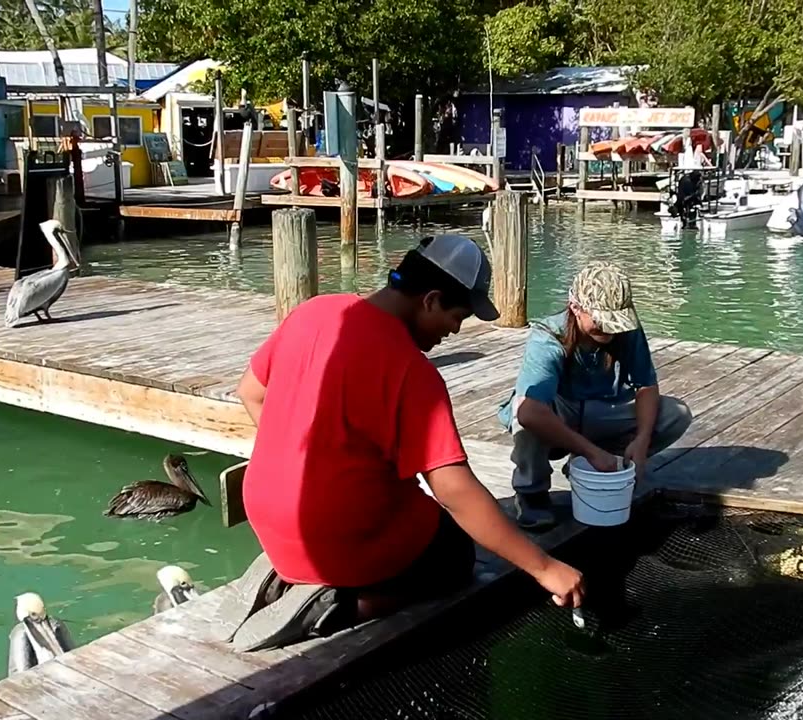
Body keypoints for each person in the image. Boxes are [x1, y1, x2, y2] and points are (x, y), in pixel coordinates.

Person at [227, 234, 586, 651]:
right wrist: (543, 568)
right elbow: (453, 490)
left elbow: (250, 391)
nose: (454, 330)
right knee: (454, 555)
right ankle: (344, 606)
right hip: (337, 533)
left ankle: (291, 574)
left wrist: (297, 453)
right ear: (430, 299)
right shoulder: (411, 370)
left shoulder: (314, 311)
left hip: (268, 514)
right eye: (458, 316)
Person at [498, 261, 694, 530]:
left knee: (675, 413)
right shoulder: (548, 336)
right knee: (525, 412)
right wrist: (590, 450)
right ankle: (531, 493)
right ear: (575, 308)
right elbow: (530, 411)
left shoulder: (627, 331)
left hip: (603, 410)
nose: (610, 329)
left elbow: (646, 384)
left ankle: (602, 465)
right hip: (559, 413)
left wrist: (642, 439)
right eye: (601, 321)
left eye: (616, 322)